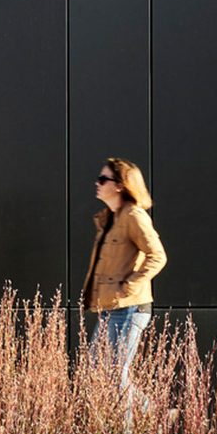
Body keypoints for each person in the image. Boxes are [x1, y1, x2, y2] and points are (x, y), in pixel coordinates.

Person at [84, 157, 167, 386]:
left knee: (115, 373)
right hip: (110, 307)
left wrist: (128, 287)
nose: (97, 183)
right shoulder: (111, 219)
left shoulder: (133, 216)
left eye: (103, 179)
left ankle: (128, 423)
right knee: (94, 369)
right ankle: (155, 415)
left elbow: (157, 256)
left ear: (120, 185)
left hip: (129, 308)